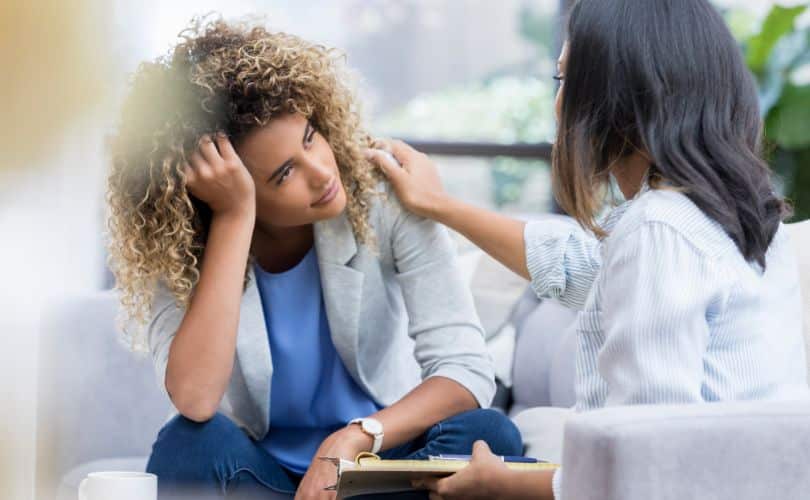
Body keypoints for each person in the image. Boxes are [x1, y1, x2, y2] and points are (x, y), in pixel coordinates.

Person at [366, 0, 810, 498]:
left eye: (564, 81)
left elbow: (649, 460)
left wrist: (505, 486)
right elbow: (581, 269)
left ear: (615, 96)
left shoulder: (658, 228)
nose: (558, 106)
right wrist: (439, 205)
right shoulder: (740, 217)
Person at [106, 18, 521, 500]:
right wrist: (235, 218)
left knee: (489, 436)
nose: (322, 172)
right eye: (284, 174)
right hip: (263, 480)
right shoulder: (179, 244)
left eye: (309, 137)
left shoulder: (383, 197)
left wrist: (355, 437)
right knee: (186, 445)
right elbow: (196, 400)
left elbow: (466, 368)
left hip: (380, 469)